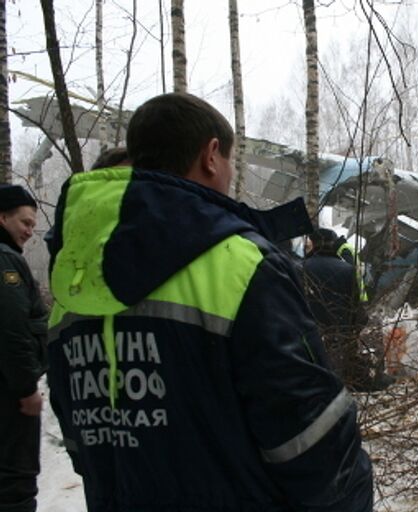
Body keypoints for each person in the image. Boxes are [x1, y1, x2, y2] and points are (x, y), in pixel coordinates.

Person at [46, 93, 372, 511]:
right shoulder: (242, 264)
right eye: (232, 160)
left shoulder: (70, 283)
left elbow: (78, 437)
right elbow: (309, 434)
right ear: (212, 155)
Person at [0, 185, 47, 512]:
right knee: (15, 481)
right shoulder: (5, 261)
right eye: (24, 223)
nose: (30, 231)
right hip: (9, 396)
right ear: (2, 218)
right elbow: (11, 329)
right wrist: (27, 388)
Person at [303, 228, 370, 389]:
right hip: (340, 334)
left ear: (313, 244)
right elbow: (355, 307)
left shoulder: (300, 268)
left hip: (310, 336)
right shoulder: (347, 269)